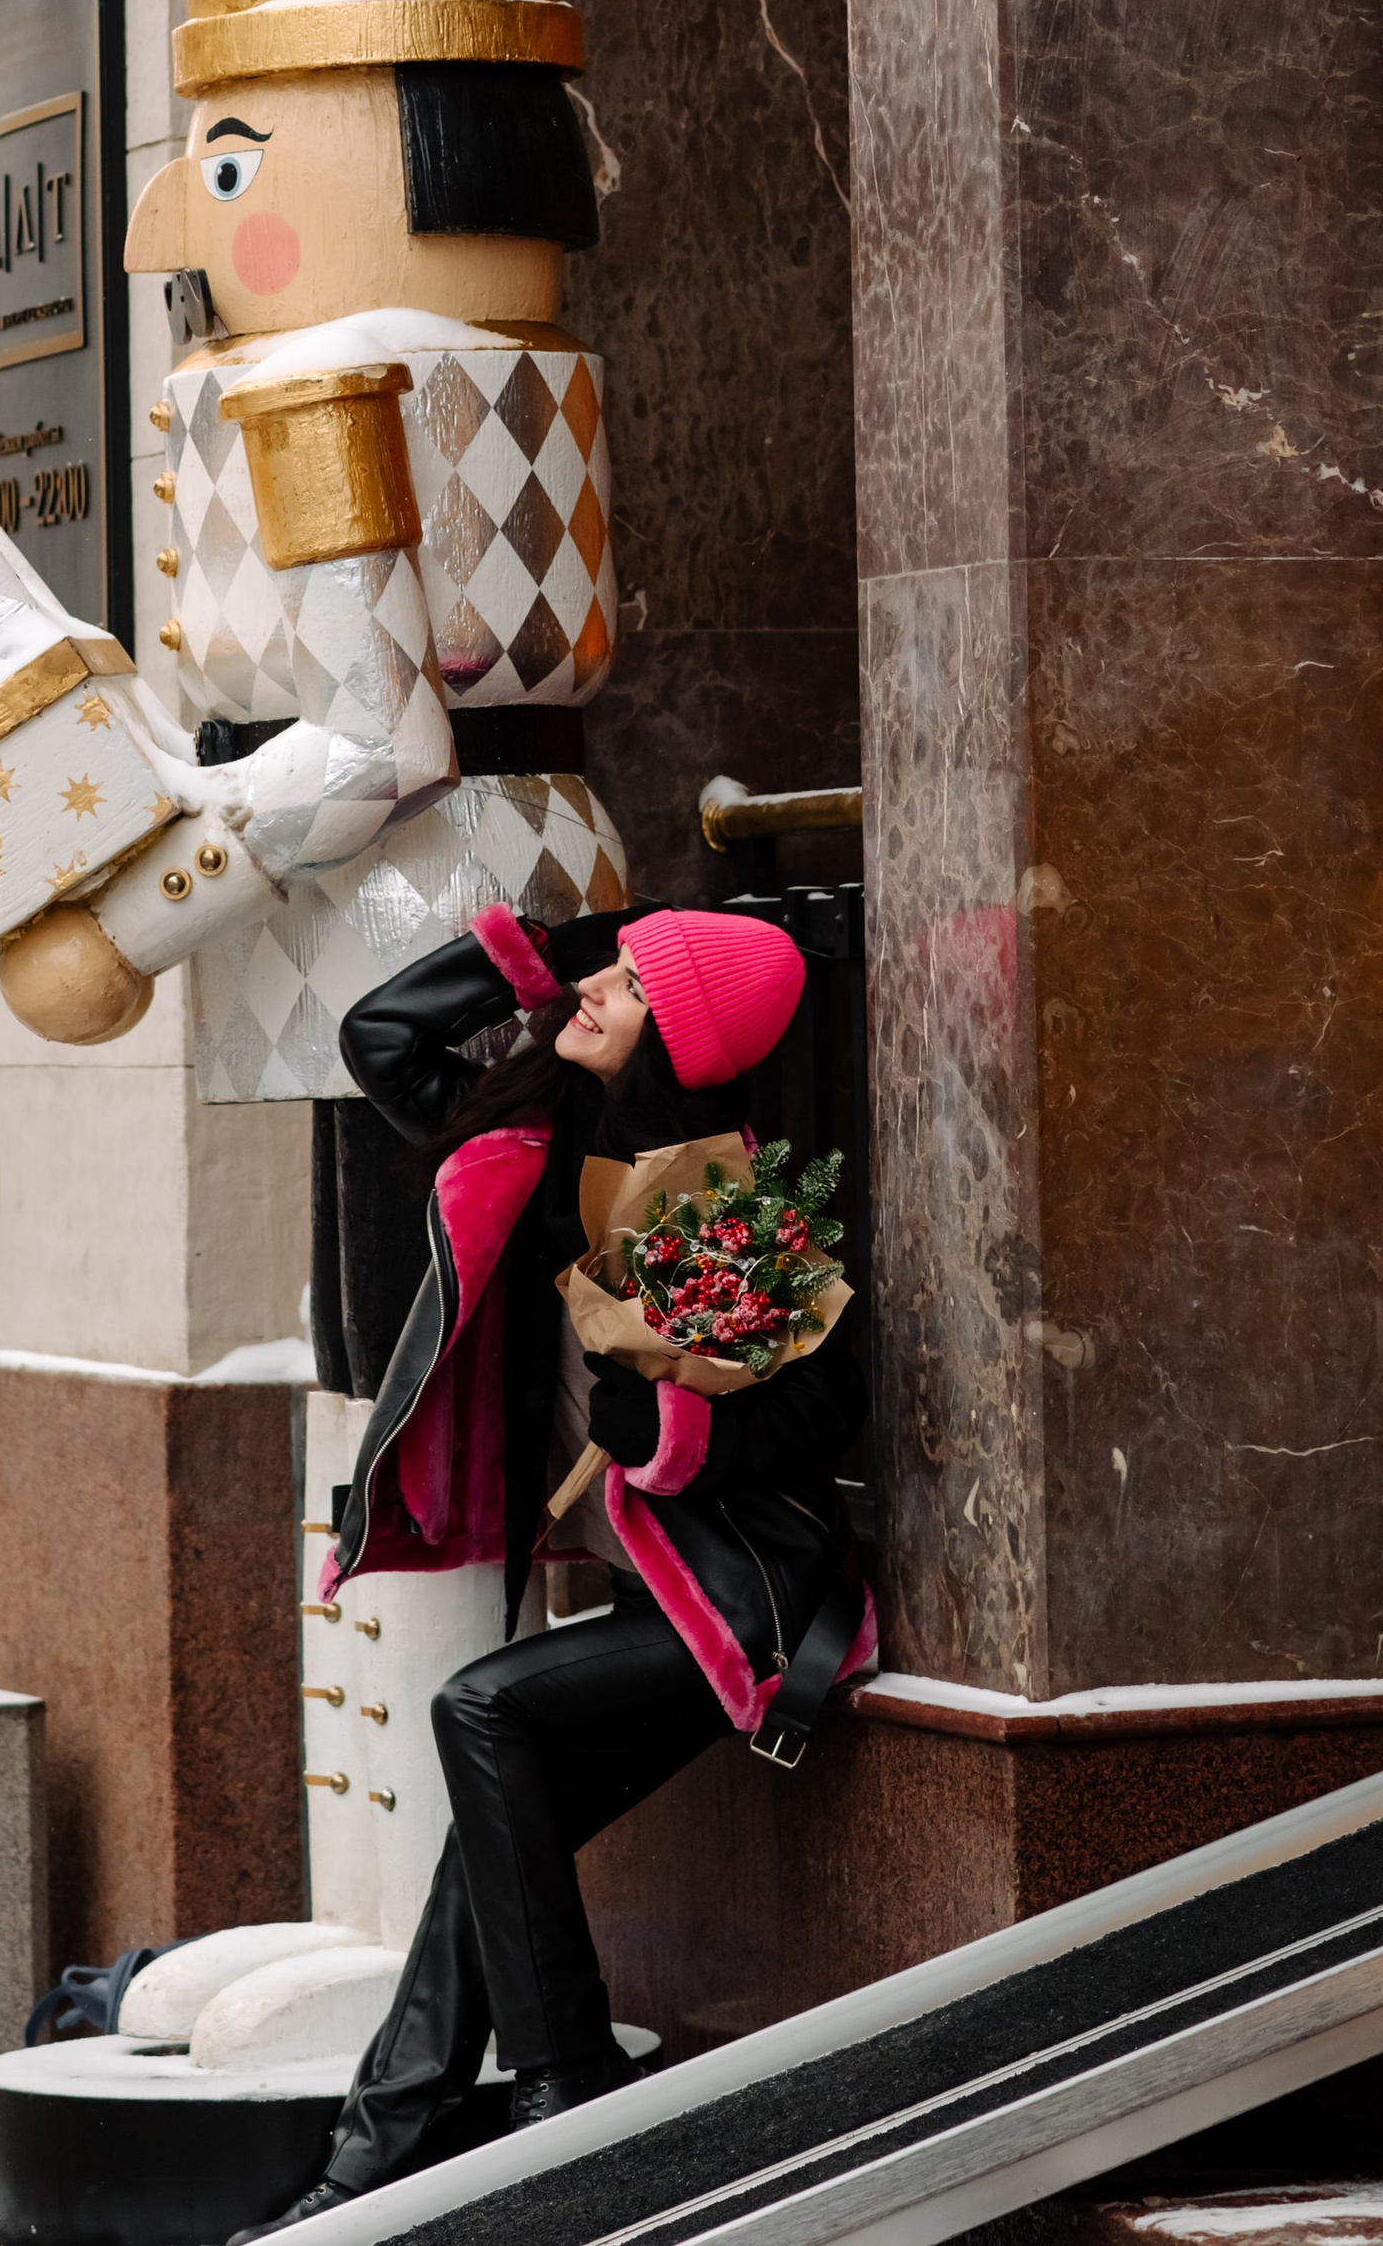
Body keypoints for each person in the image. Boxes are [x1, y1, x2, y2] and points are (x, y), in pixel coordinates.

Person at [236, 900, 875, 2235]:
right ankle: (368, 2164)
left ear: (680, 1038)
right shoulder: (544, 1122)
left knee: (480, 1710)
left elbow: (826, 1410)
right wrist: (547, 937)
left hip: (741, 1606)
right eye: (606, 965)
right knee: (488, 1855)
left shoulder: (715, 1185)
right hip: (656, 1590)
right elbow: (381, 1040)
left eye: (630, 982)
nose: (595, 985)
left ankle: (560, 2081)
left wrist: (675, 1425)